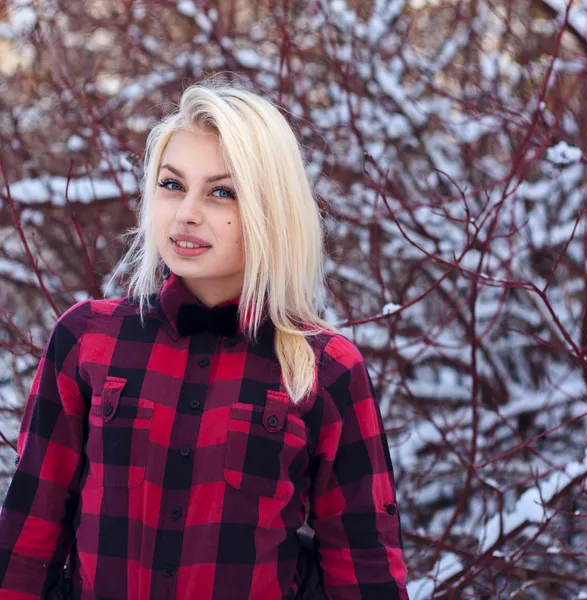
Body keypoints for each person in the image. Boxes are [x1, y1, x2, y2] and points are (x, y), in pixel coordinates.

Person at [0, 80, 409, 600]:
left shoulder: (324, 368)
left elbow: (365, 567)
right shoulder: (87, 340)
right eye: (172, 184)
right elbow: (27, 538)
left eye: (221, 191)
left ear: (271, 210)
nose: (186, 211)